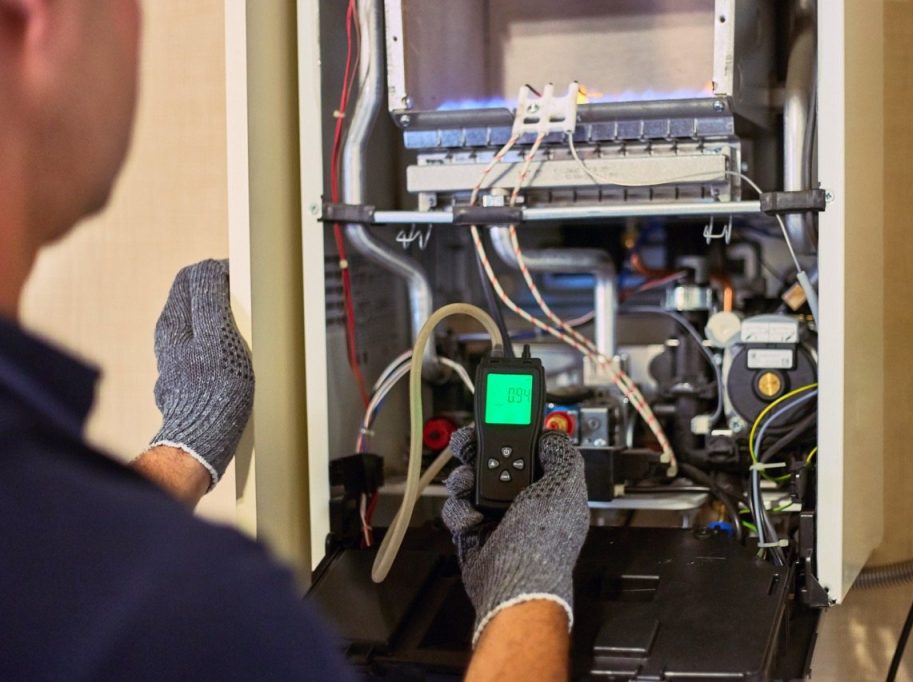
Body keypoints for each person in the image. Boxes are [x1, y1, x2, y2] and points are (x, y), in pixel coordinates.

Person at [0, 2, 590, 680]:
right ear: (31, 16)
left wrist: (186, 447)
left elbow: (57, 563)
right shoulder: (202, 616)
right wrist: (526, 585)